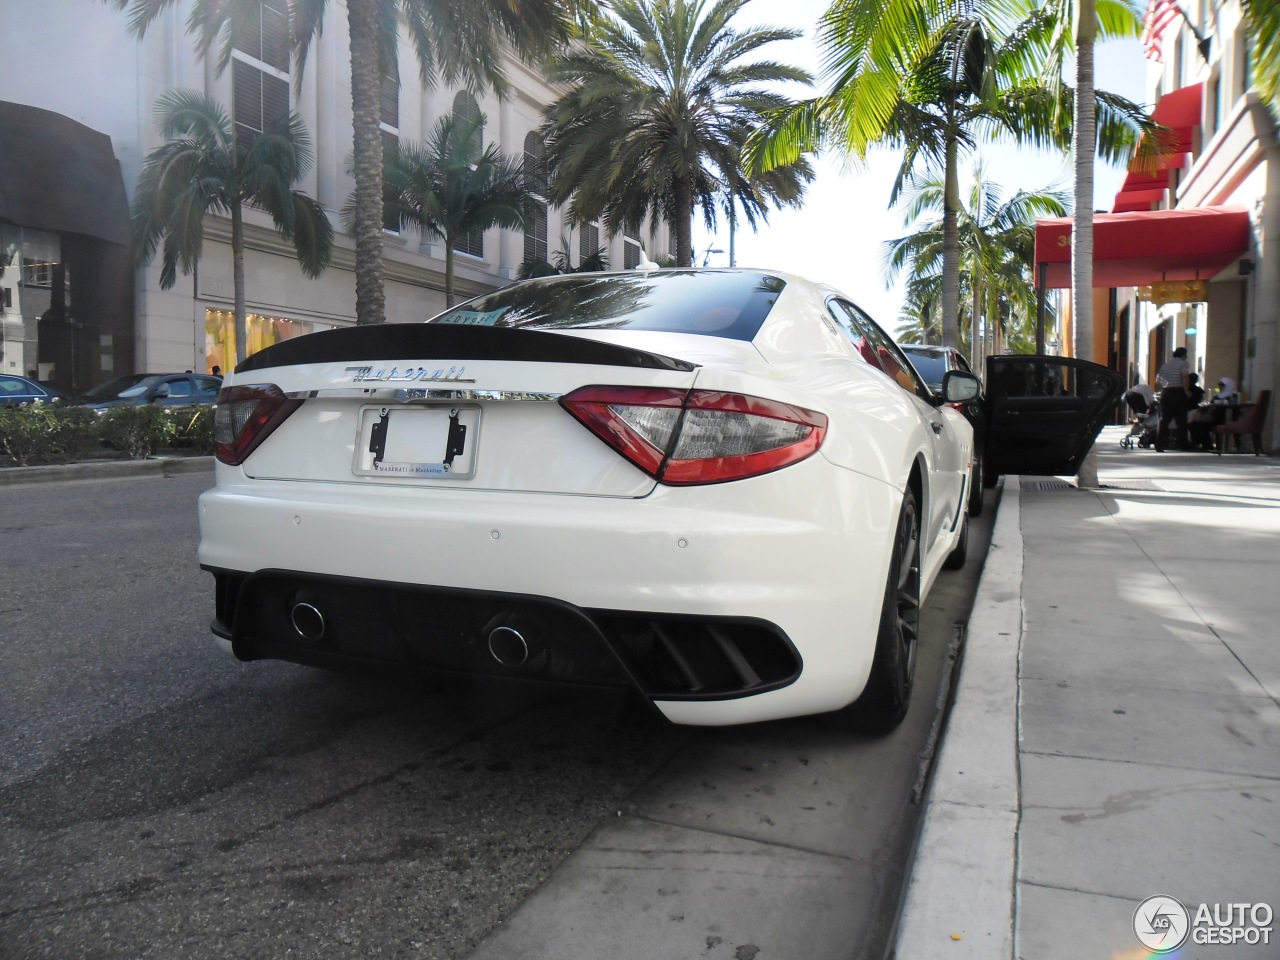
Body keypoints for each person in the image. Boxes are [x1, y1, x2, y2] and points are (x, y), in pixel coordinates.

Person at [1154, 346, 1191, 452]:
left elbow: (1157, 380)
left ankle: (1159, 444)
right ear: (1183, 355)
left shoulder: (1165, 366)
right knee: (1181, 420)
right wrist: (1187, 390)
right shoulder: (1183, 363)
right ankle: (1184, 444)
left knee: (1164, 420)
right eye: (1186, 355)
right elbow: (1184, 376)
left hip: (1166, 393)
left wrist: (1165, 386)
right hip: (1178, 392)